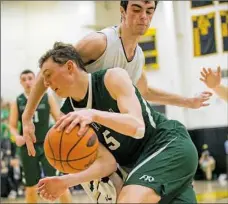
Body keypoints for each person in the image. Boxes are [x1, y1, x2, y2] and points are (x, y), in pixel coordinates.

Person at [22, 0, 212, 157]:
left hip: (104, 129)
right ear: (122, 11)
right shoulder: (99, 42)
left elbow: (145, 91)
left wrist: (188, 101)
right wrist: (27, 116)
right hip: (76, 120)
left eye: (149, 11)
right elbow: (51, 65)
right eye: (136, 9)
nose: (143, 17)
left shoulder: (138, 56)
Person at [37, 42, 198, 203]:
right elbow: (108, 163)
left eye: (48, 74)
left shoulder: (112, 78)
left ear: (70, 67)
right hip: (138, 166)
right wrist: (65, 182)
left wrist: (93, 114)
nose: (46, 83)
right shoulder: (68, 114)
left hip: (167, 144)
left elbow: (137, 126)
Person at [9, 69, 72, 203]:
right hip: (27, 147)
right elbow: (12, 126)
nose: (27, 82)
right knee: (30, 187)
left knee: (59, 183)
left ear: (35, 80)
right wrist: (16, 137)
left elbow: (58, 118)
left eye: (30, 78)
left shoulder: (46, 97)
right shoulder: (17, 101)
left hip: (47, 145)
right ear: (21, 82)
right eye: (24, 79)